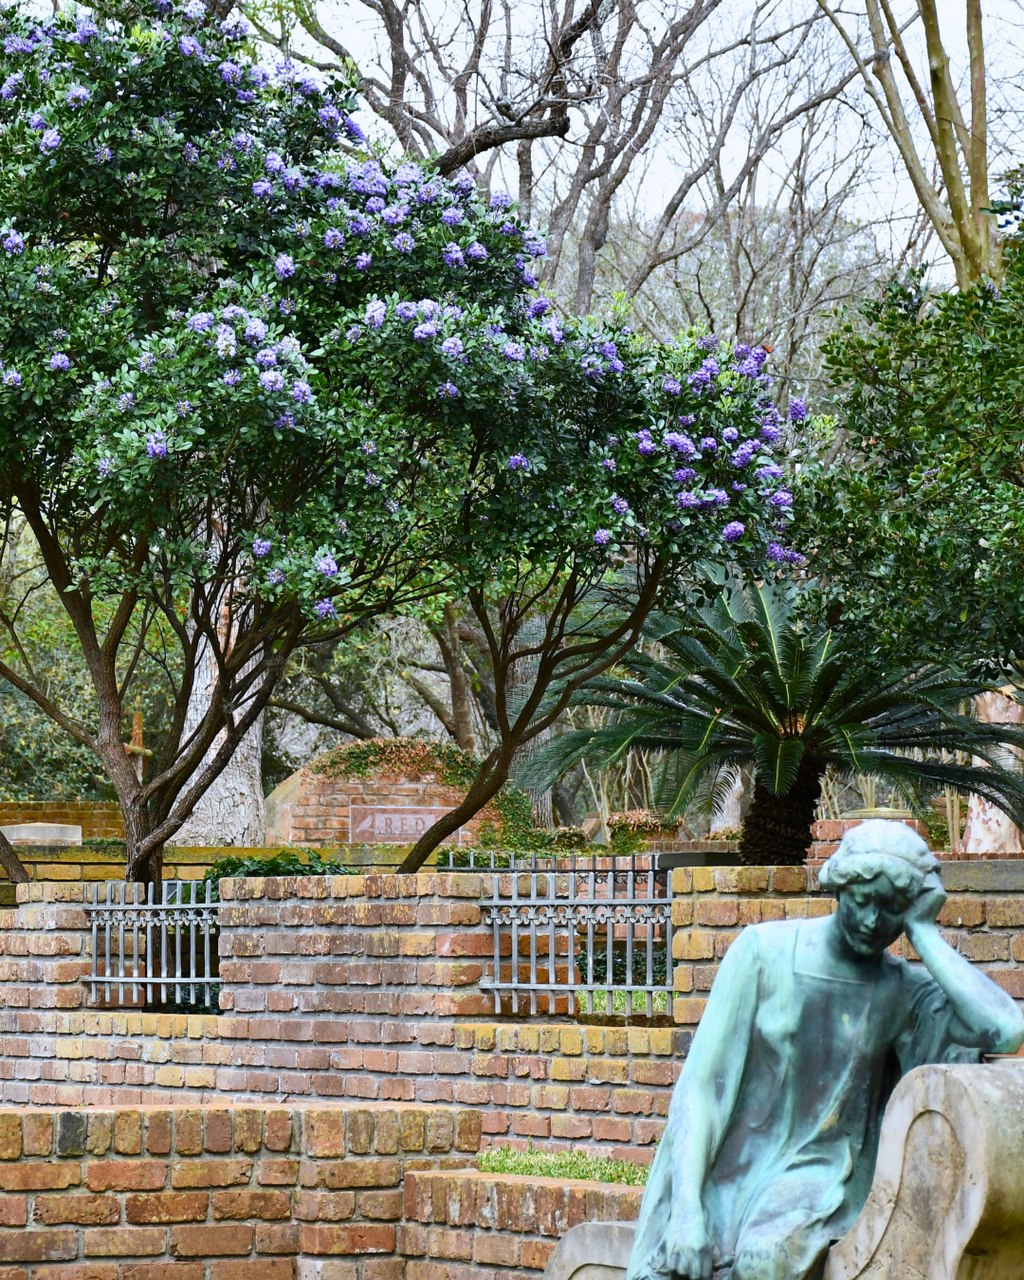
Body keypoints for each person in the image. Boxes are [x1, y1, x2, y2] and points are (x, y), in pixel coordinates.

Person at [625, 819, 1024, 1280]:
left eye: (893, 909)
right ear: (839, 888)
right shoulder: (761, 953)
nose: (875, 922)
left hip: (820, 1184)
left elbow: (1007, 1030)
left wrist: (925, 934)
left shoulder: (901, 990)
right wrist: (686, 1208)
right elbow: (702, 1092)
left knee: (763, 1260)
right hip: (728, 1178)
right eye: (863, 902)